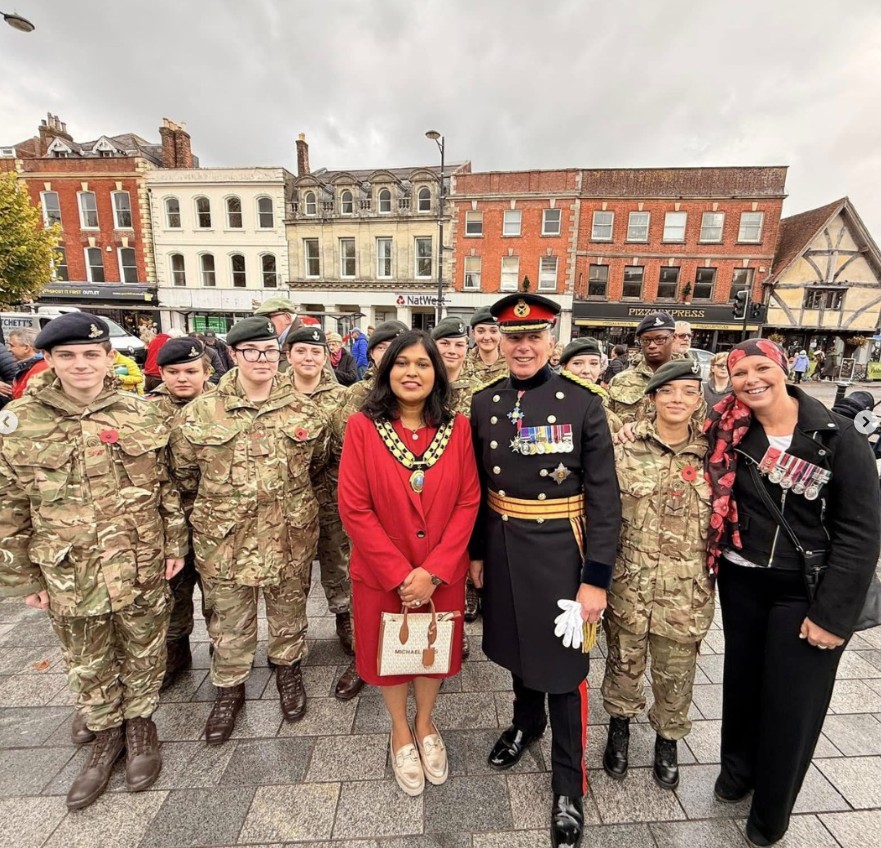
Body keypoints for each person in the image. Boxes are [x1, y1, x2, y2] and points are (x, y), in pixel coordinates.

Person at [0, 313, 187, 810]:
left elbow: (165, 486)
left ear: (109, 358)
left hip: (140, 557)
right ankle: (106, 736)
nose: (80, 364)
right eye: (67, 356)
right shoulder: (22, 422)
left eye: (90, 354)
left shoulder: (140, 414)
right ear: (49, 360)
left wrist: (174, 546)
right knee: (88, 657)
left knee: (145, 645)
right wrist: (21, 576)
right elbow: (10, 503)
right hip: (69, 568)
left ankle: (141, 725)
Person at [704, 338, 880, 847]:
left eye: (762, 368)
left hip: (804, 588)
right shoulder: (728, 429)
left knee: (792, 704)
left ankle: (770, 815)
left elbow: (861, 532)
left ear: (784, 371)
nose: (751, 380)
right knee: (742, 685)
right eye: (740, 373)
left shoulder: (837, 436)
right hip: (743, 580)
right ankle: (737, 773)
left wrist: (833, 616)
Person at [469, 294, 622, 848]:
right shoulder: (484, 402)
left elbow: (605, 499)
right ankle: (526, 722)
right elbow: (479, 492)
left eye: (534, 337)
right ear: (500, 343)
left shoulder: (582, 403)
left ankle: (568, 783)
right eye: (513, 338)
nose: (524, 346)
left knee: (566, 667)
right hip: (504, 547)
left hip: (564, 554)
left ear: (551, 342)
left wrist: (595, 579)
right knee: (514, 646)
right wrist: (477, 554)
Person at [169, 316, 329, 744]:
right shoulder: (200, 413)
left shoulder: (305, 410)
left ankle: (288, 670)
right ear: (233, 355)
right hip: (224, 540)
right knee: (227, 620)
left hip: (288, 535)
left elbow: (315, 468)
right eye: (251, 352)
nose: (262, 360)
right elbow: (183, 477)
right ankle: (228, 688)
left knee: (289, 610)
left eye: (269, 352)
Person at [338, 330, 480, 796]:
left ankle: (426, 722)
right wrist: (402, 574)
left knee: (431, 652)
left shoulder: (457, 428)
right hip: (384, 572)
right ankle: (400, 728)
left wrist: (434, 570)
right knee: (390, 655)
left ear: (437, 372)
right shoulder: (362, 427)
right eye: (402, 364)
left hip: (441, 570)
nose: (412, 372)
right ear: (386, 371)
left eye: (423, 364)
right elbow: (354, 508)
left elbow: (468, 501)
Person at [602, 359, 714, 791]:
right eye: (668, 392)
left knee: (676, 671)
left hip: (687, 591)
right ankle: (620, 728)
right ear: (651, 399)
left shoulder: (714, 453)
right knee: (623, 661)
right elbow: (603, 513)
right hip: (630, 582)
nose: (677, 400)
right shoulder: (623, 448)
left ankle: (668, 740)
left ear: (698, 400)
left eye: (687, 392)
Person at [286, 325, 364, 700]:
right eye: (301, 351)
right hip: (288, 502)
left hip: (333, 496)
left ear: (325, 357)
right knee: (291, 573)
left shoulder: (342, 396)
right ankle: (290, 637)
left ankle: (344, 619)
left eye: (315, 353)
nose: (308, 358)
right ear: (289, 356)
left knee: (339, 561)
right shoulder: (275, 395)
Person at [146, 337, 214, 688]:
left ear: (206, 372)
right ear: (161, 373)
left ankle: (225, 651)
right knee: (174, 589)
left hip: (216, 515)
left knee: (218, 592)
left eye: (191, 371)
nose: (182, 378)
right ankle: (177, 649)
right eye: (173, 372)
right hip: (166, 518)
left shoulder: (223, 405)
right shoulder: (146, 412)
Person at [432, 317, 478, 651]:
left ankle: (455, 627)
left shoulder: (483, 389)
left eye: (459, 344)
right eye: (445, 343)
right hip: (429, 486)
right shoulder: (423, 382)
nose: (452, 350)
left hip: (469, 482)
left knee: (460, 552)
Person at [607, 312, 679, 424]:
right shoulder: (620, 380)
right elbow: (605, 425)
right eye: (646, 340)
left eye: (660, 339)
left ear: (673, 338)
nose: (652, 345)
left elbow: (698, 430)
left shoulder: (686, 381)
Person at [343, 321, 408, 421]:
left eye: (397, 347)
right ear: (372, 353)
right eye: (382, 348)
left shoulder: (423, 389)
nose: (389, 354)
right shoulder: (357, 393)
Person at [560, 337, 623, 433]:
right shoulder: (553, 397)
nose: (586, 370)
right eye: (577, 363)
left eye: (594, 363)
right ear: (564, 367)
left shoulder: (604, 399)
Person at [253, 296, 300, 369]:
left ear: (287, 318)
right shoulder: (281, 340)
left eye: (268, 317)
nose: (265, 323)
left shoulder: (302, 343)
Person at [468, 307, 508, 387]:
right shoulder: (463, 365)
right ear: (473, 333)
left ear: (501, 333)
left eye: (493, 331)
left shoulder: (512, 364)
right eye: (481, 331)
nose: (487, 337)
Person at [7, 328, 49, 399]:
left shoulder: (41, 368)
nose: (9, 350)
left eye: (12, 346)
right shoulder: (30, 366)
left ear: (26, 348)